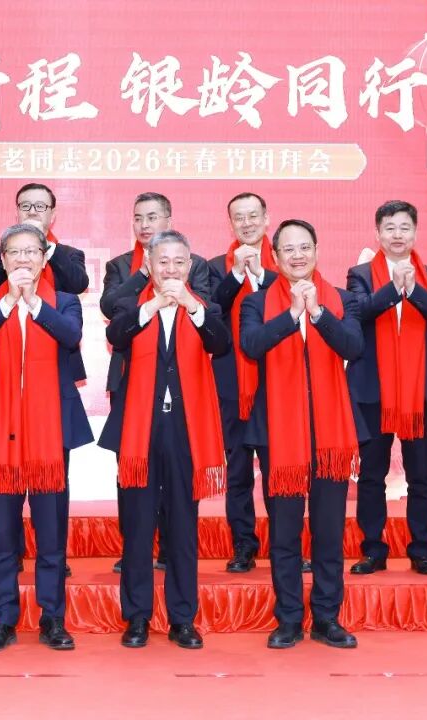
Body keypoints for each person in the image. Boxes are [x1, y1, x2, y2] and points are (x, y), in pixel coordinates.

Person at [0, 223, 93, 652]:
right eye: (14, 253)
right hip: (1, 430)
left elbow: (71, 336)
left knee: (51, 533)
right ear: (2, 260)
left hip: (49, 432)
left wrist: (34, 302)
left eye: (31, 252)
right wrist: (8, 303)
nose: (23, 259)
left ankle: (52, 618)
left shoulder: (65, 302)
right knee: (2, 535)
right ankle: (3, 618)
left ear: (43, 258)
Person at [99, 230, 229, 650]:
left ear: (189, 266)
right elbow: (117, 335)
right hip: (138, 431)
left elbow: (221, 342)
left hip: (186, 430)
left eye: (179, 262)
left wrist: (191, 305)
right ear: (150, 266)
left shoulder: (204, 306)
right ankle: (137, 617)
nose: (171, 269)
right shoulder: (131, 304)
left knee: (183, 527)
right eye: (163, 262)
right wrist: (153, 305)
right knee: (138, 527)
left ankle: (182, 618)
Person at [240, 219, 363, 650]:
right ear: (275, 257)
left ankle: (327, 618)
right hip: (279, 435)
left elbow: (353, 347)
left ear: (317, 251)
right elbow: (252, 345)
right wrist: (292, 314)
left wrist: (318, 314)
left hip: (330, 435)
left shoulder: (343, 299)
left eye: (305, 247)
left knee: (329, 533)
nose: (297, 256)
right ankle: (289, 618)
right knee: (285, 532)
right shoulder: (257, 302)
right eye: (288, 249)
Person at [0, 183, 86, 577]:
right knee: (5, 501)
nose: (33, 211)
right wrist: (15, 255)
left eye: (41, 206)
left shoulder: (66, 255)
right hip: (3, 390)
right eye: (26, 206)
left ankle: (52, 561)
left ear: (53, 213)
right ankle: (11, 561)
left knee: (52, 487)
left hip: (51, 389)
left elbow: (77, 288)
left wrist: (44, 252)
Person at [345, 200, 427, 576]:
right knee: (371, 476)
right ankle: (373, 550)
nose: (397, 235)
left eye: (404, 227)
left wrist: (414, 290)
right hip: (373, 390)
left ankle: (422, 550)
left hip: (419, 390)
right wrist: (394, 288)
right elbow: (359, 313)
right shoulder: (360, 274)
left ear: (415, 232)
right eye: (390, 228)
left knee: (421, 476)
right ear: (378, 233)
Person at [100, 192, 210, 573]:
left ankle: (170, 549)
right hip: (132, 385)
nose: (144, 224)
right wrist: (147, 274)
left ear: (169, 221)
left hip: (183, 390)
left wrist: (177, 281)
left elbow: (211, 319)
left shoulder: (194, 267)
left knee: (179, 478)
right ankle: (135, 546)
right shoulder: (121, 267)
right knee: (132, 472)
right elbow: (111, 308)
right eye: (138, 218)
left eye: (152, 217)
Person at [207, 192, 276, 574]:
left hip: (276, 383)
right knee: (237, 471)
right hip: (231, 382)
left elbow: (286, 302)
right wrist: (236, 274)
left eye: (253, 216)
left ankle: (285, 546)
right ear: (230, 224)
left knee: (279, 470)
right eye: (239, 218)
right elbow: (212, 311)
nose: (247, 223)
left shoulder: (285, 261)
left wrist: (262, 275)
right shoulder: (216, 267)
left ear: (266, 219)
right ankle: (243, 545)